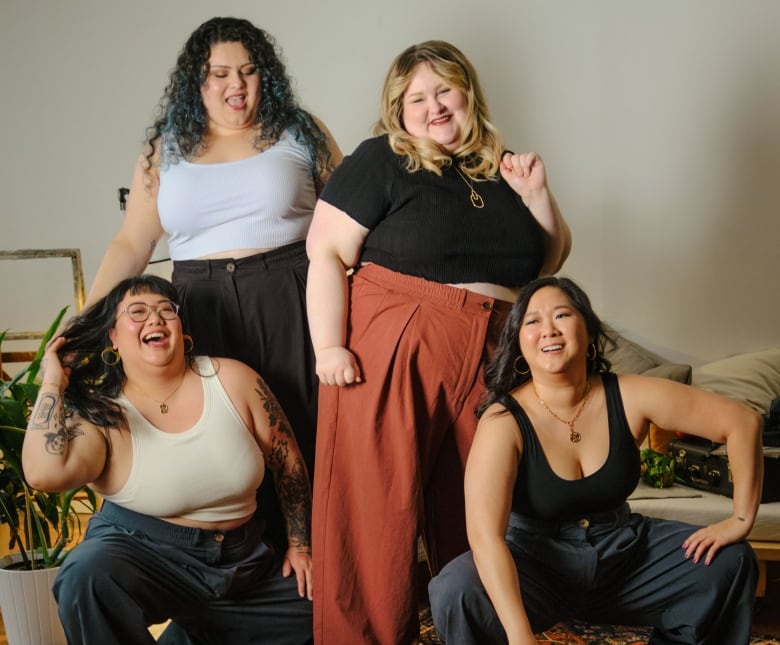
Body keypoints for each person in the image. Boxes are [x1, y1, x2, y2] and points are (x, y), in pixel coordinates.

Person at [305, 40, 572, 644]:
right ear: (398, 110)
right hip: (400, 333)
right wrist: (329, 347)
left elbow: (545, 260)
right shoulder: (380, 160)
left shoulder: (499, 166)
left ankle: (476, 632)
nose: (434, 107)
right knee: (376, 509)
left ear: (468, 93)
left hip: (495, 346)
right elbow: (323, 249)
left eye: (444, 90)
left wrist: (536, 196)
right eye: (416, 98)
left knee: (480, 509)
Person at [86, 16, 342, 553]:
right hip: (197, 305)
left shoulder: (301, 131)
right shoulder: (165, 148)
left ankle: (322, 574)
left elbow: (351, 217)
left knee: (304, 429)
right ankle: (245, 581)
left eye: (249, 72)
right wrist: (87, 324)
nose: (236, 86)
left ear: (265, 77)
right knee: (227, 442)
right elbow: (133, 243)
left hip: (290, 295)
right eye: (219, 73)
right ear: (195, 82)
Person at [428, 276, 763, 645]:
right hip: (535, 564)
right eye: (533, 321)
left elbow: (742, 422)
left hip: (623, 553)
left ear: (588, 332)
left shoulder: (630, 393)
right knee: (456, 589)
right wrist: (519, 635)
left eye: (561, 315)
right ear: (519, 344)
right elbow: (485, 537)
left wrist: (741, 519)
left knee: (730, 561)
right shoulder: (503, 421)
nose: (548, 330)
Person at [22, 274, 314, 644]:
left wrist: (301, 547)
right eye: (138, 311)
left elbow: (288, 463)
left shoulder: (233, 379)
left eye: (166, 310)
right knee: (85, 574)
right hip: (145, 556)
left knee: (330, 616)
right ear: (113, 336)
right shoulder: (102, 411)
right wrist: (52, 384)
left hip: (243, 565)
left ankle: (194, 634)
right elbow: (42, 474)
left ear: (181, 328)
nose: (155, 319)